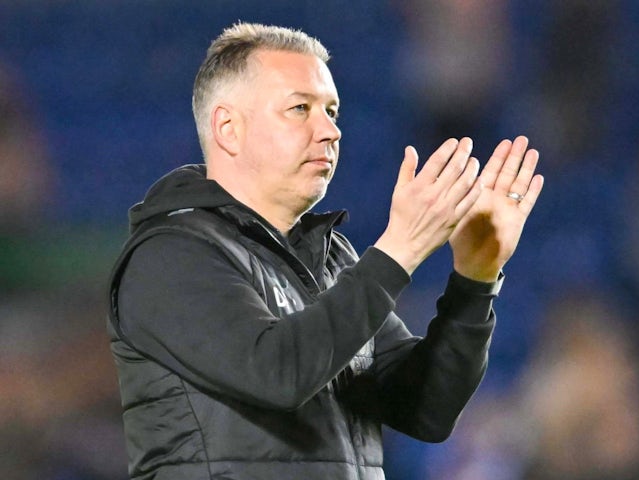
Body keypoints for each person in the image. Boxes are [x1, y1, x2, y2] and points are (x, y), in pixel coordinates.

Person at [107, 22, 543, 480]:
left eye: (332, 111)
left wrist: (475, 277)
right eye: (300, 109)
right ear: (228, 128)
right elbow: (278, 374)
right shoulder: (171, 255)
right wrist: (399, 249)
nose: (330, 130)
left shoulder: (333, 262)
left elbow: (426, 410)